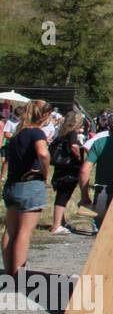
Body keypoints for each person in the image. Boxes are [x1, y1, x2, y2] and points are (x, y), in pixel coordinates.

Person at [3, 99, 54, 274]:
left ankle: (9, 272)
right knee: (24, 233)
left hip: (12, 184)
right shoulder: (37, 133)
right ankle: (19, 276)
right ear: (45, 115)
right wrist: (45, 173)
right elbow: (43, 153)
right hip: (30, 184)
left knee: (10, 231)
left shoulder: (17, 134)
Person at [48, 110, 85, 235]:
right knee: (63, 196)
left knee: (62, 195)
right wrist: (80, 158)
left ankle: (60, 221)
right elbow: (74, 147)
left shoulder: (61, 132)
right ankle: (56, 225)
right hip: (70, 168)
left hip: (61, 167)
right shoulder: (73, 133)